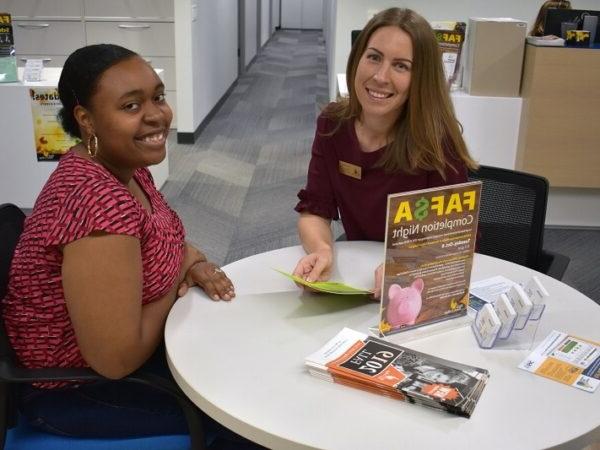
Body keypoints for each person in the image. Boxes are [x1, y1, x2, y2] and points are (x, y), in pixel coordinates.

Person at [1, 44, 245, 445]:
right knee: (243, 415)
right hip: (80, 393)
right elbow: (115, 361)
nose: (157, 114)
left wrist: (188, 260)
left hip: (135, 361)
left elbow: (165, 241)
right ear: (86, 119)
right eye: (131, 106)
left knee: (245, 358)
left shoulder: (127, 168)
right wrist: (178, 271)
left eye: (158, 97)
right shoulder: (97, 206)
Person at [293, 8, 478, 297]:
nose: (381, 76)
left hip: (417, 287)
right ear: (357, 59)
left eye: (401, 66)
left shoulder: (436, 142)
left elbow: (457, 235)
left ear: (420, 78)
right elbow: (315, 209)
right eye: (374, 57)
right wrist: (322, 250)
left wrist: (404, 265)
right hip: (358, 278)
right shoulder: (333, 125)